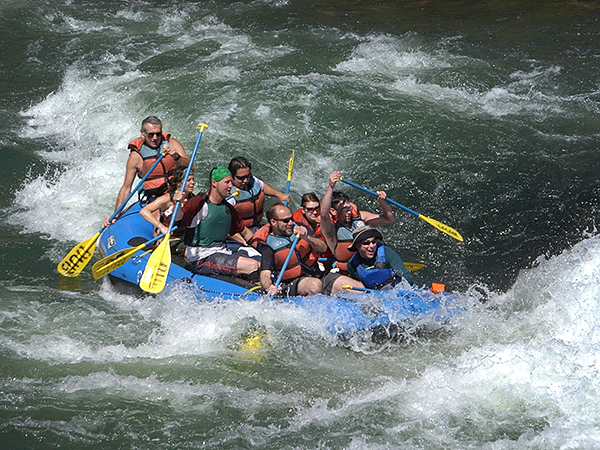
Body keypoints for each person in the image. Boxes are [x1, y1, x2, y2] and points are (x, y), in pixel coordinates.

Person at [257, 203, 363, 297]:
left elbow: (323, 247)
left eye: (291, 219)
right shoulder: (269, 247)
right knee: (314, 285)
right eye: (286, 220)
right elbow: (265, 274)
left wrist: (307, 237)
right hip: (293, 285)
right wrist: (269, 287)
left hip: (317, 275)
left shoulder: (300, 228)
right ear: (273, 222)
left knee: (358, 287)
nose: (290, 223)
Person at [103, 116, 190, 227]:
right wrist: (115, 215)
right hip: (155, 197)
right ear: (142, 133)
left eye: (158, 134)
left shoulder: (172, 144)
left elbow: (190, 167)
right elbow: (126, 187)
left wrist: (176, 156)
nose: (155, 138)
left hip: (177, 191)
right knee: (156, 218)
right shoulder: (136, 156)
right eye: (150, 134)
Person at [176, 167, 260, 280]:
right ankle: (259, 292)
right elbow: (178, 220)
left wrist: (264, 248)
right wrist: (178, 203)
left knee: (259, 261)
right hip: (201, 257)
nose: (231, 186)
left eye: (231, 182)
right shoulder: (198, 203)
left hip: (221, 251)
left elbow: (244, 232)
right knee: (252, 265)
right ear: (214, 183)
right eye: (227, 182)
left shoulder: (227, 208)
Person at [320, 171, 395, 274]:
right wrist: (330, 187)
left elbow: (388, 219)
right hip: (350, 271)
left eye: (349, 208)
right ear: (333, 211)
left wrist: (382, 201)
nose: (349, 212)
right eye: (344, 209)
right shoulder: (331, 230)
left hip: (371, 265)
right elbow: (323, 214)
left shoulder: (360, 217)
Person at [227, 156, 291, 231]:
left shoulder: (252, 180)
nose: (245, 180)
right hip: (240, 232)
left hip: (257, 226)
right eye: (241, 178)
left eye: (247, 176)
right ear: (231, 176)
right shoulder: (229, 197)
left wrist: (279, 195)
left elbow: (262, 186)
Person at [346, 225, 414, 288]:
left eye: (374, 241)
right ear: (357, 245)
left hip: (395, 291)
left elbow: (407, 279)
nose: (372, 246)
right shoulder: (352, 264)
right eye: (366, 243)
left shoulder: (387, 253)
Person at [139, 169, 195, 237]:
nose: (193, 182)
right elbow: (144, 211)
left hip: (186, 236)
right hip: (170, 237)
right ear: (178, 183)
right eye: (188, 180)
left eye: (193, 179)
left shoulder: (193, 198)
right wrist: (161, 227)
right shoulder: (169, 198)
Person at [292, 192, 332, 262]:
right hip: (314, 259)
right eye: (310, 209)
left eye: (317, 208)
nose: (315, 212)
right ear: (303, 210)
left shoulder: (326, 217)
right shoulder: (297, 223)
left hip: (330, 255)